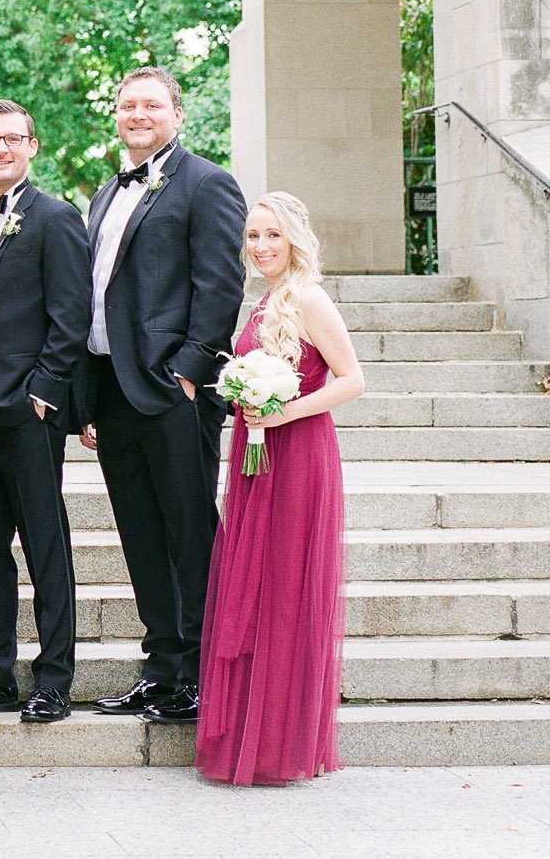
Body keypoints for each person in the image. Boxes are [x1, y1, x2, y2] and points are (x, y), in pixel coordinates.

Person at [81, 66, 246, 724]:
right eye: (128, 105)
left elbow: (219, 284)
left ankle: (204, 676)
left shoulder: (207, 183)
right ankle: (161, 671)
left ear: (177, 113)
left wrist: (189, 368)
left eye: (151, 104)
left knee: (188, 532)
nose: (138, 113)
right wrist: (89, 395)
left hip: (172, 389)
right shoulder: (102, 194)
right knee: (142, 536)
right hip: (114, 392)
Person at [192, 192, 360, 783]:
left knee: (286, 586)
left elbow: (352, 379)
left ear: (294, 239)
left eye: (272, 235)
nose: (261, 246)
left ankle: (280, 744)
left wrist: (283, 414)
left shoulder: (309, 297)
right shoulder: (264, 301)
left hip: (298, 456)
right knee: (256, 586)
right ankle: (250, 736)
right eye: (254, 236)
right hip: (253, 455)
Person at [0, 101, 89, 725]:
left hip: (28, 411)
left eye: (12, 138)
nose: (1, 148)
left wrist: (45, 390)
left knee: (43, 543)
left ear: (32, 145)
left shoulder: (56, 218)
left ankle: (54, 677)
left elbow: (71, 314)